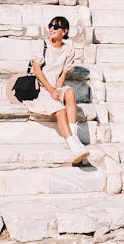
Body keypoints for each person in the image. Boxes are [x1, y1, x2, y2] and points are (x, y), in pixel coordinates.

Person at [29, 16, 89, 164]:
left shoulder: (68, 50)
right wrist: (51, 91)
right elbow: (36, 70)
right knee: (60, 110)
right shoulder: (42, 45)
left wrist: (58, 90)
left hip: (55, 88)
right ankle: (73, 145)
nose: (51, 29)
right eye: (50, 26)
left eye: (56, 27)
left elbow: (62, 74)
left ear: (64, 31)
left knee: (69, 92)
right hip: (41, 88)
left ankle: (73, 138)